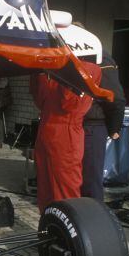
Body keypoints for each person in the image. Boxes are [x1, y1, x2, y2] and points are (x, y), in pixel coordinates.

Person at [30, 60, 102, 213]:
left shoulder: (87, 68)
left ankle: (67, 230)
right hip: (52, 131)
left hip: (63, 133)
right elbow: (41, 99)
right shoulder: (50, 68)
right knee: (47, 190)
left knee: (65, 193)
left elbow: (69, 104)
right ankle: (50, 226)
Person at [81, 50, 126, 200]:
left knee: (90, 179)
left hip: (91, 125)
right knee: (76, 178)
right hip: (78, 124)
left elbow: (115, 98)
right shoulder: (66, 54)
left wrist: (114, 127)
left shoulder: (100, 58)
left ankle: (93, 216)